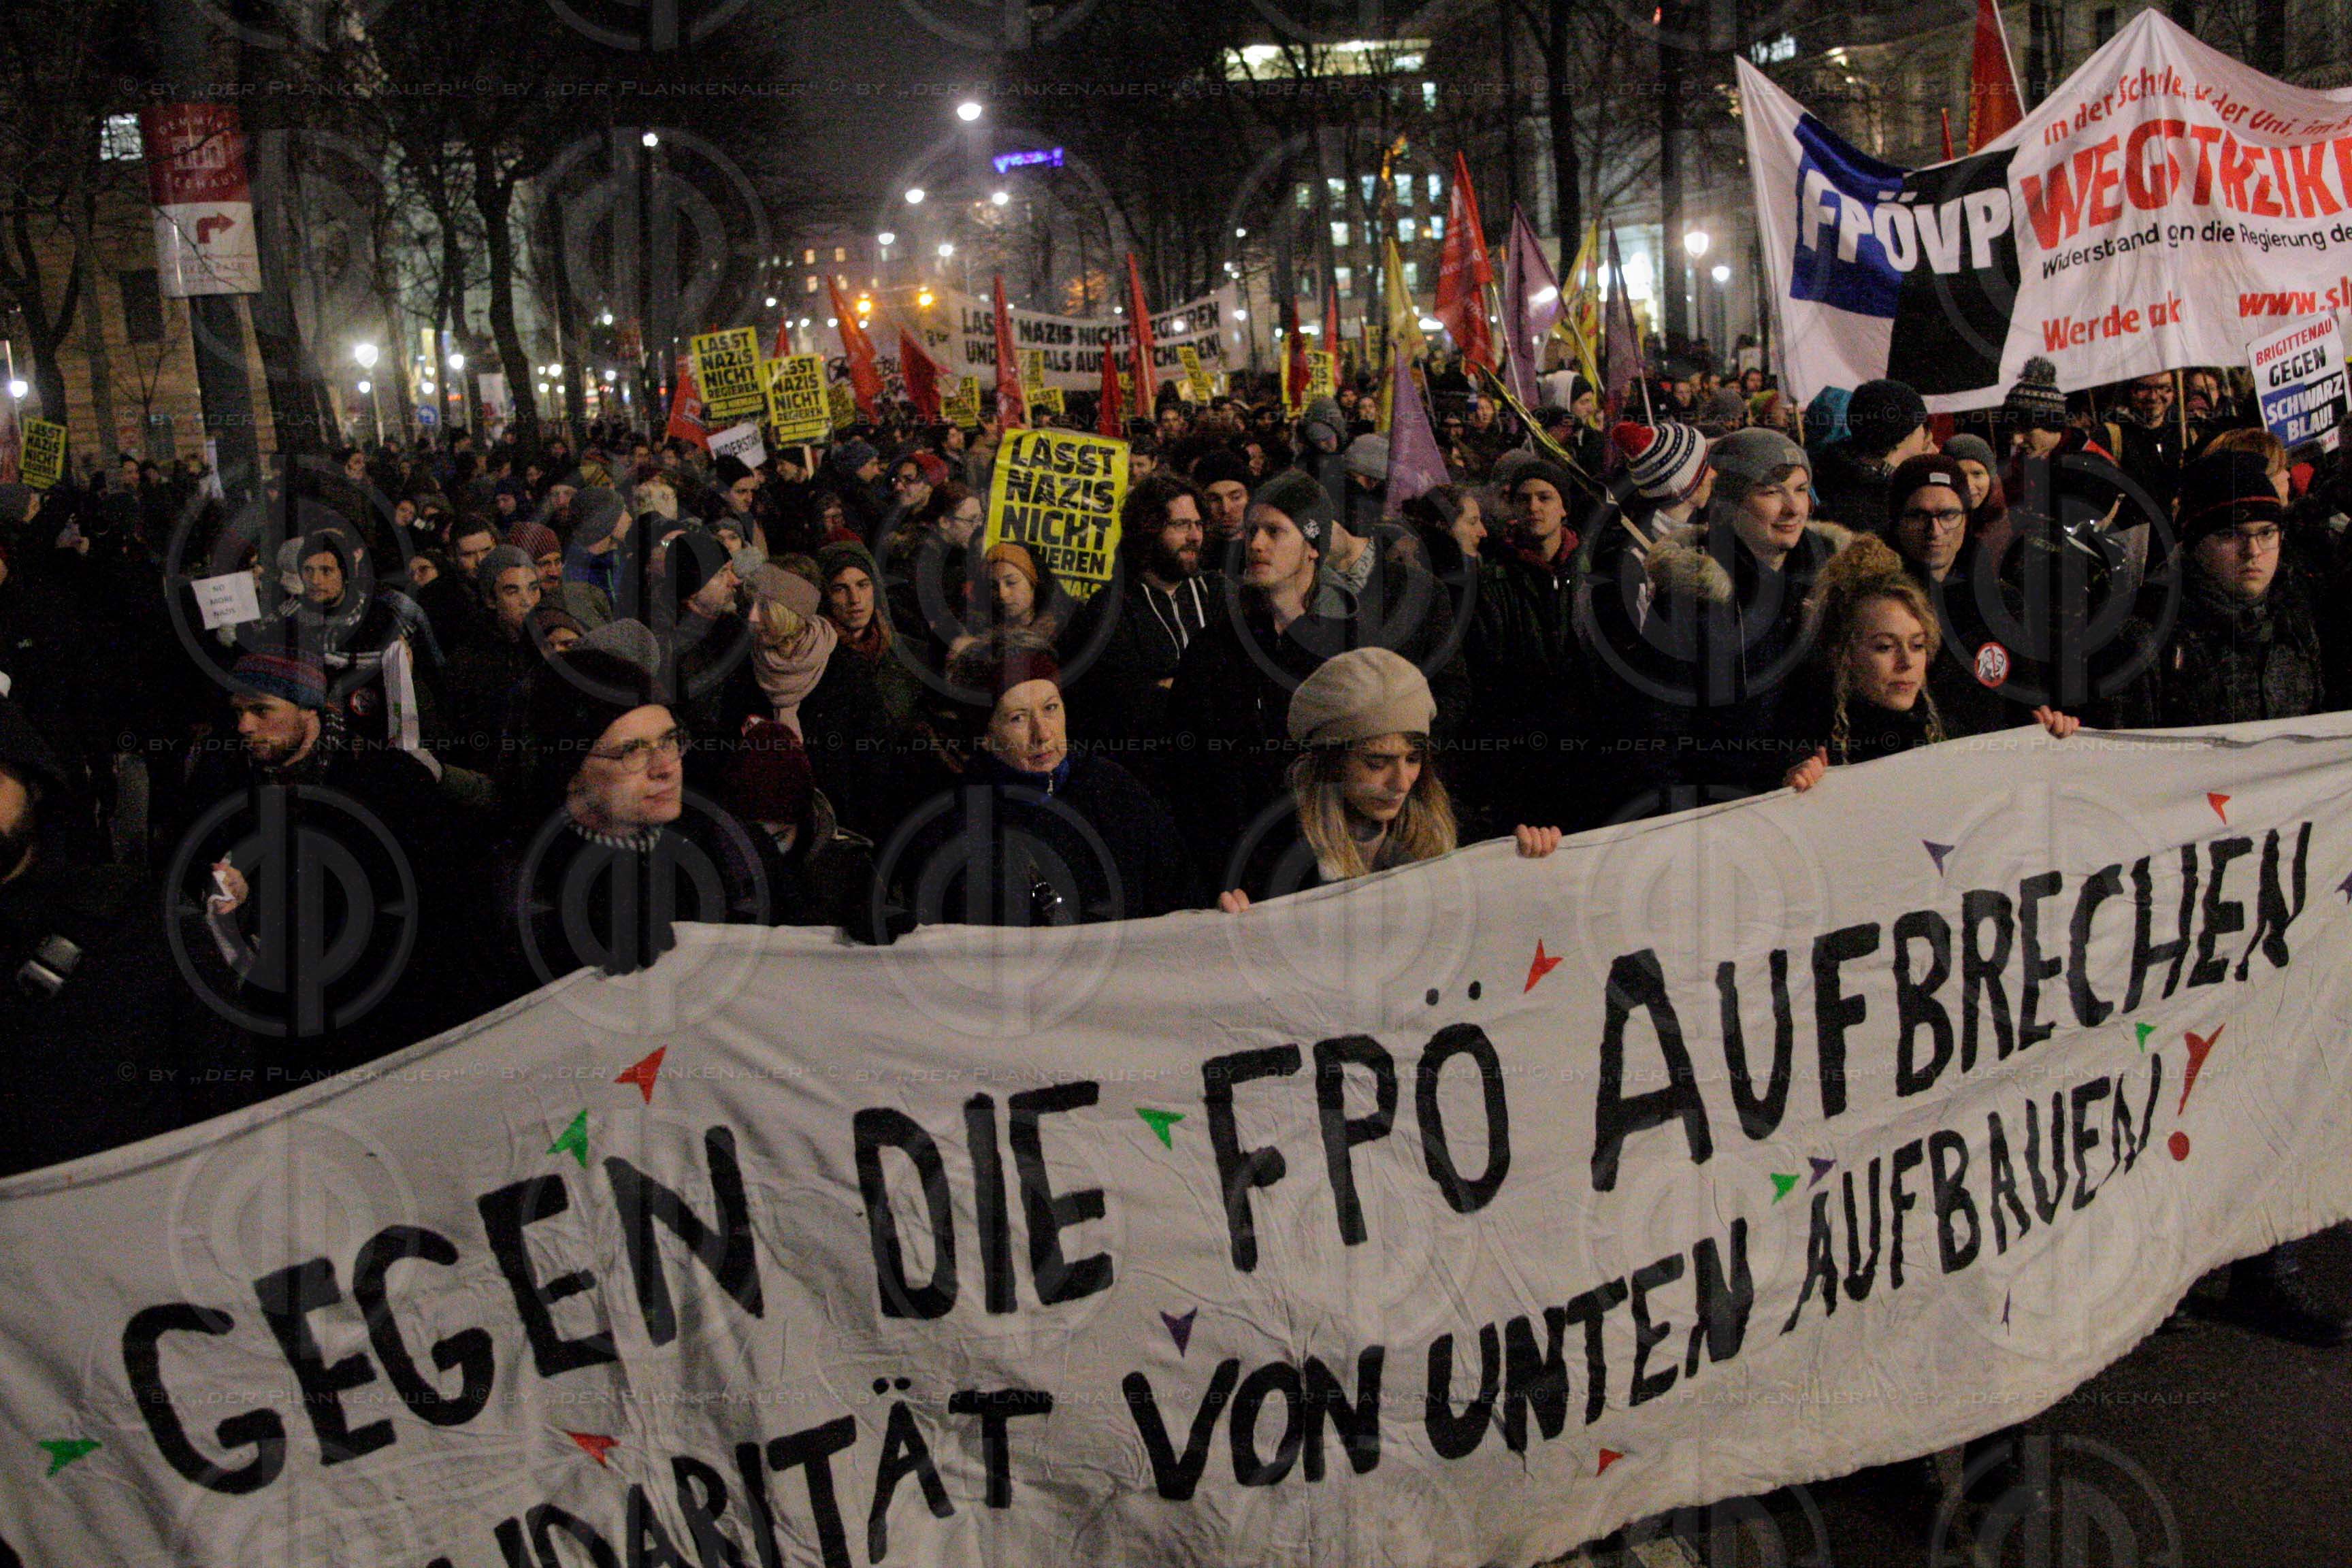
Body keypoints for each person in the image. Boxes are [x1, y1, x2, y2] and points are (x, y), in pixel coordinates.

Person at [885, 637, 1193, 927]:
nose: (1043, 734)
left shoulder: (1114, 789)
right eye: (1018, 718)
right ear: (985, 737)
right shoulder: (954, 825)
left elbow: (1181, 892)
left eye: (1050, 709)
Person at [1216, 648, 1559, 909]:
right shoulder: (1274, 854)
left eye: (1413, 759)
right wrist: (1239, 921)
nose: (1402, 783)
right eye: (1377, 762)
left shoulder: (1457, 829)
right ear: (1332, 763)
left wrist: (1530, 855)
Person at [1780, 536, 2077, 791]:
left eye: (1918, 645)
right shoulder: (1802, 741)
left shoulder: (1956, 731)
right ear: (1842, 653)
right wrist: (1793, 789)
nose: (1907, 662)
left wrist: (2051, 745)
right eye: (1884, 647)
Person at [1061, 474, 1214, 784]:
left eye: (1198, 525)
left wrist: (1172, 684)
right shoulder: (1108, 611)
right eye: (1181, 525)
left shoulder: (1218, 595)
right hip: (1149, 779)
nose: (1195, 536)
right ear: (1148, 530)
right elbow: (1122, 709)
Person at [1810, 378, 1933, 536]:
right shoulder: (1883, 504)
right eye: (1921, 424)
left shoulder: (1832, 472)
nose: (1926, 433)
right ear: (1903, 434)